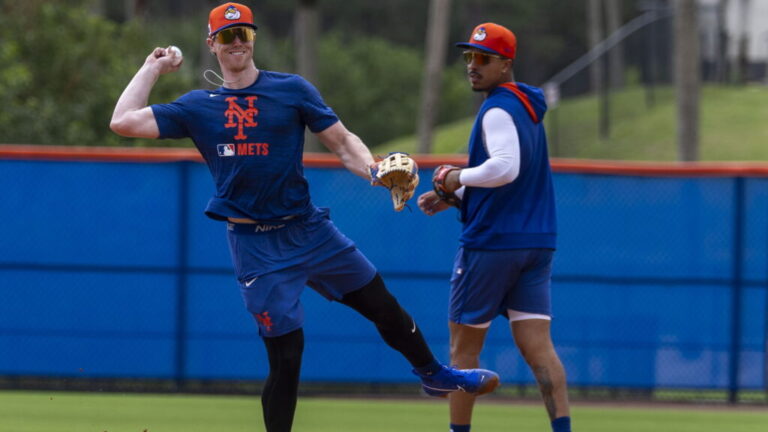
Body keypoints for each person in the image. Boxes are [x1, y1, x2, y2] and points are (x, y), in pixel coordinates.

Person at [109, 3, 499, 432]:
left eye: (244, 33)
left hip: (308, 230)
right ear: (212, 45)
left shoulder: (291, 89)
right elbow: (123, 121)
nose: (237, 41)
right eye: (227, 35)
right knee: (287, 357)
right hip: (256, 247)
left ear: (254, 39)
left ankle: (433, 374)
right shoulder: (198, 107)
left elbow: (341, 140)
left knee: (382, 305)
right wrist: (150, 68)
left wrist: (372, 168)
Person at [417, 23, 572, 432]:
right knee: (540, 349)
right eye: (468, 57)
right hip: (535, 243)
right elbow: (512, 181)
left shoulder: (499, 107)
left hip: (492, 245)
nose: (472, 65)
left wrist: (455, 179)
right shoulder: (527, 107)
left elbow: (504, 169)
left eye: (483, 58)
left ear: (505, 63)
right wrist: (454, 198)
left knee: (462, 353)